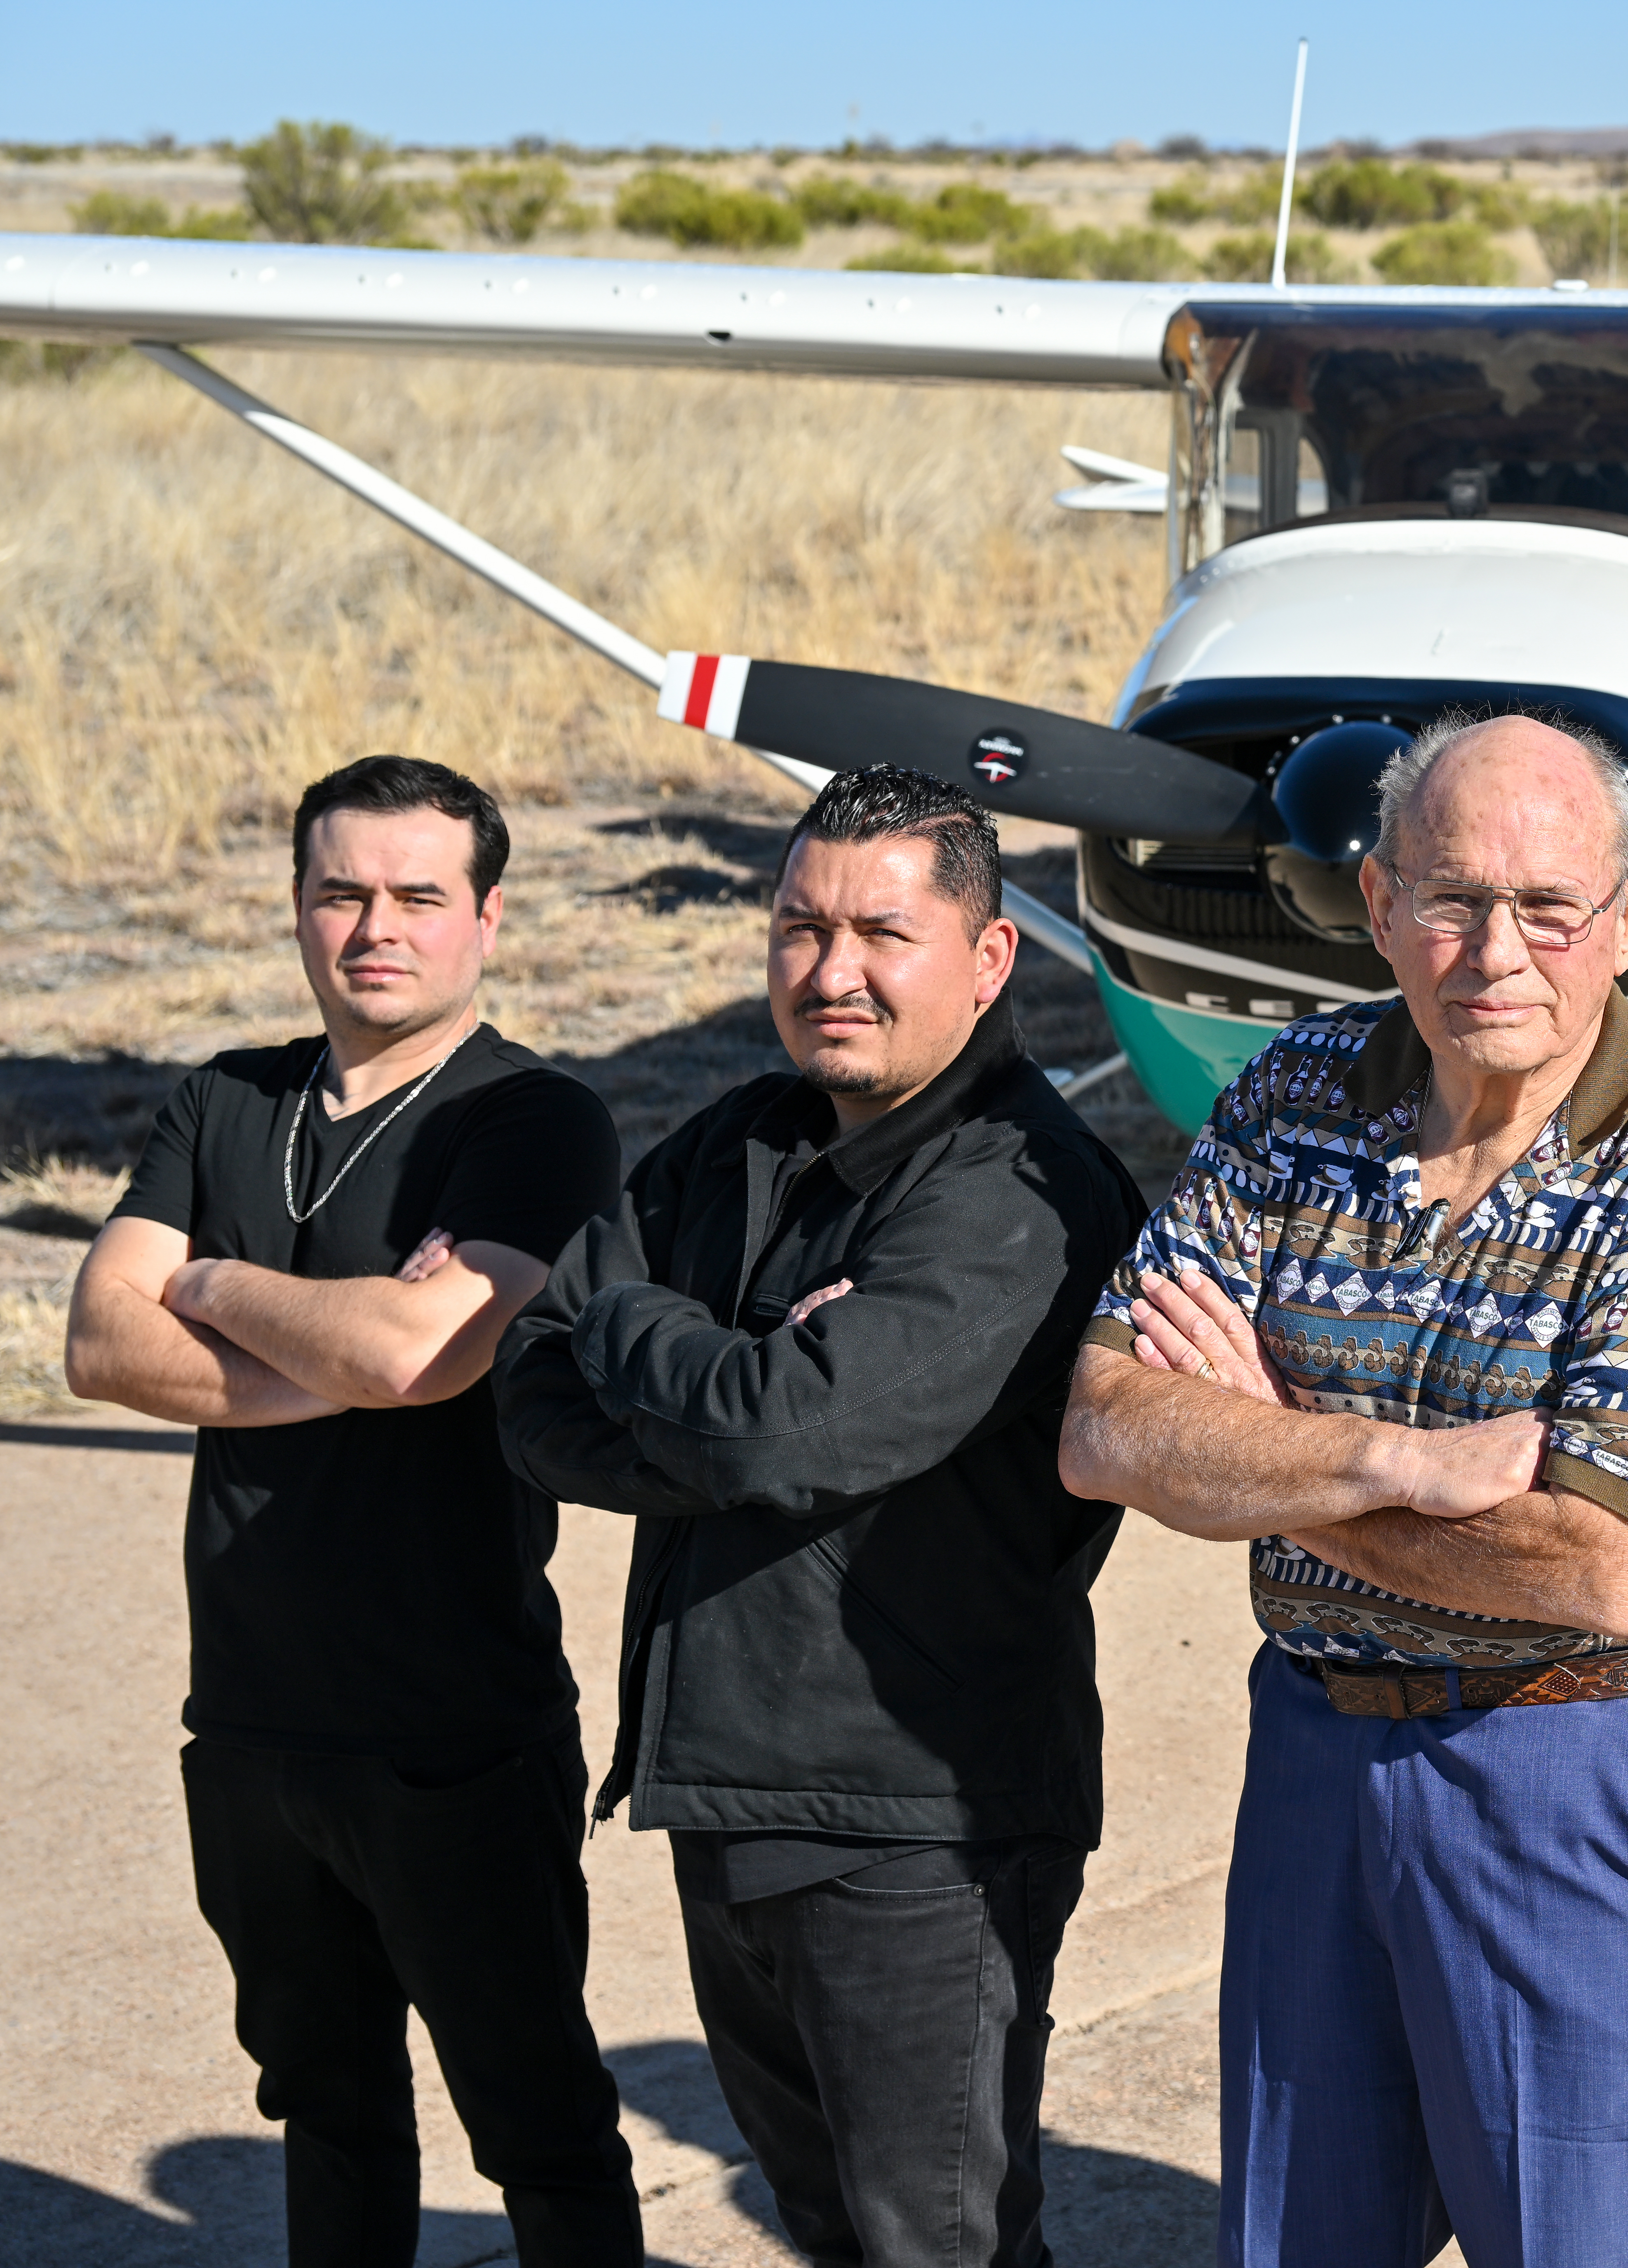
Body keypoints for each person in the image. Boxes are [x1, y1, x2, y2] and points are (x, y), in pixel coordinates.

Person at [1058, 713, 1628, 2268]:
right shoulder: (1291, 1093)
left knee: (1576, 2242)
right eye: (1452, 897)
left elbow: (1602, 1568)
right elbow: (1105, 1425)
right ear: (1379, 902)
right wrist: (1391, 1461)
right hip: (1321, 1744)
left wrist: (1263, 1457)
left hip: (1587, 1760)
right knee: (1298, 2241)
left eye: (1549, 907)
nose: (1496, 951)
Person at [490, 766, 1140, 2268]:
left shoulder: (1018, 1195)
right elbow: (536, 1390)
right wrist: (724, 1403)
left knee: (943, 2248)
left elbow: (793, 1427)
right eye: (798, 927)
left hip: (916, 1830)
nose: (829, 970)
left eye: (880, 934)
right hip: (724, 1797)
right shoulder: (732, 1142)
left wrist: (654, 1347)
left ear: (987, 962)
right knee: (830, 2237)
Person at [62, 755, 639, 2267]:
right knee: (325, 2111)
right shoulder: (225, 1097)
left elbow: (419, 1349)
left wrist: (208, 1284)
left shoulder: (533, 1119)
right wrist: (337, 1354)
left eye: (417, 896)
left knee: (540, 2127)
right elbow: (95, 1343)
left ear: (488, 918)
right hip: (250, 1724)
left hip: (455, 1728)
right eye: (341, 893)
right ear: (301, 910)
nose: (375, 926)